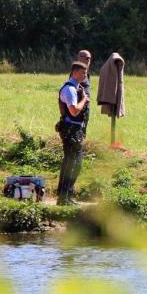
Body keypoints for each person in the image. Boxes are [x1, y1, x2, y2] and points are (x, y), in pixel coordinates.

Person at [56, 61, 90, 205]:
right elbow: (74, 110)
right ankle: (64, 197)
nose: (85, 75)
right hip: (71, 129)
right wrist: (84, 99)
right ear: (75, 72)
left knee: (74, 163)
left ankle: (66, 196)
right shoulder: (69, 89)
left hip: (75, 129)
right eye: (83, 72)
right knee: (72, 164)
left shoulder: (76, 88)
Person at [76, 50, 92, 135]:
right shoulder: (77, 72)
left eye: (89, 58)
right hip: (79, 106)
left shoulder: (85, 73)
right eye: (86, 58)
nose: (88, 60)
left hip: (85, 106)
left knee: (83, 129)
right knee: (79, 130)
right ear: (79, 58)